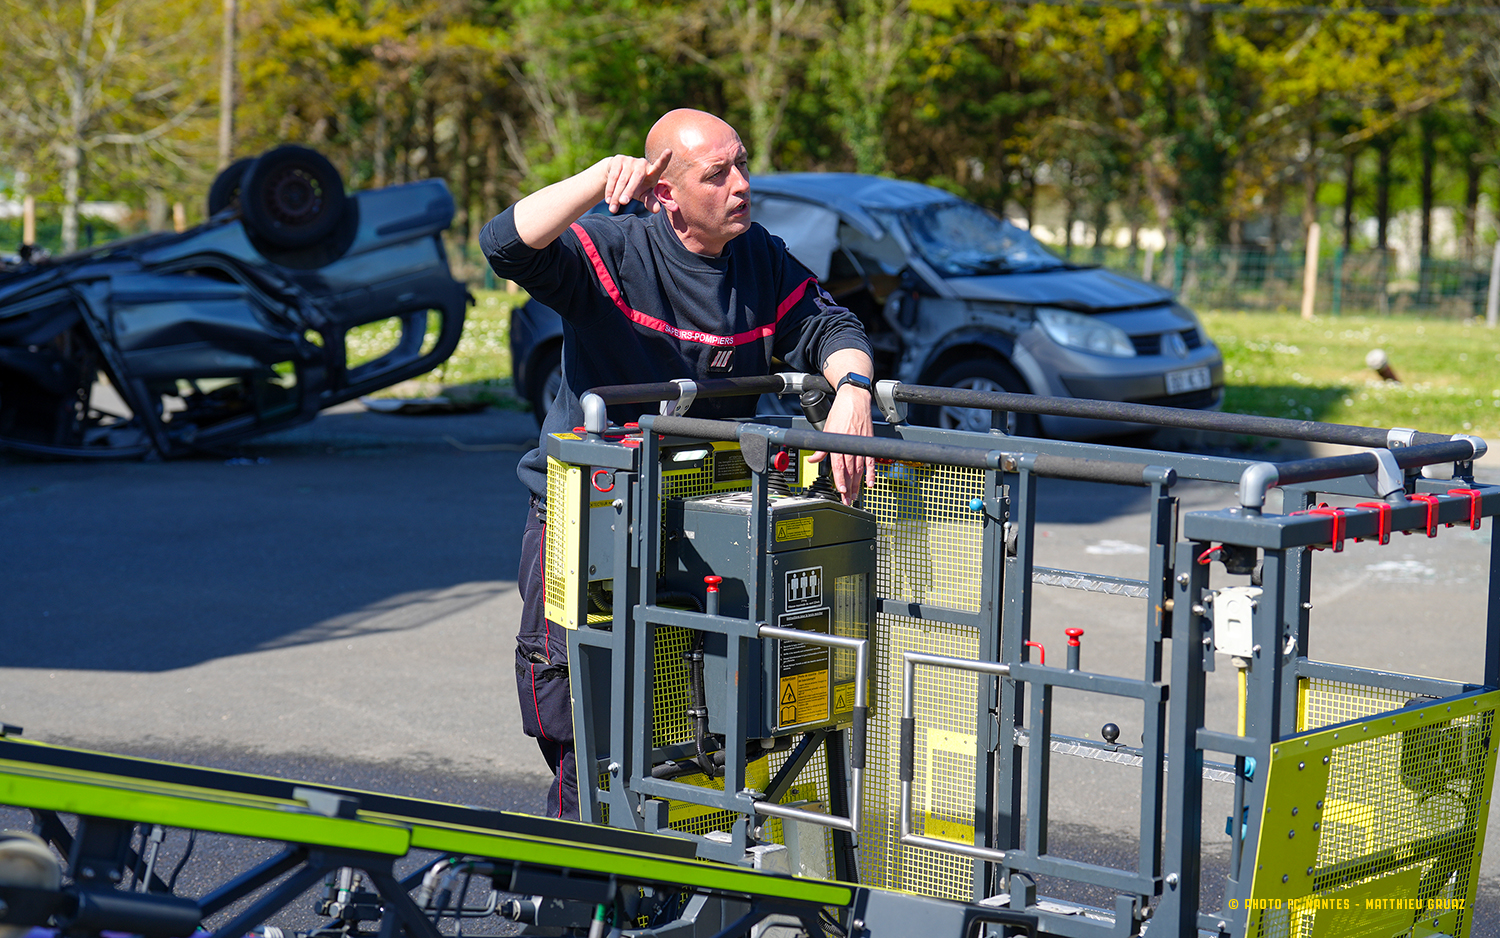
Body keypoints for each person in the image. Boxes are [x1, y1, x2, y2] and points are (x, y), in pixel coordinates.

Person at [480, 108, 876, 820]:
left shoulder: (759, 255)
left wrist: (852, 390)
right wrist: (598, 177)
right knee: (581, 720)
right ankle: (583, 889)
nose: (741, 185)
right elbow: (505, 245)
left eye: (742, 164)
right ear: (664, 189)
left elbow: (831, 325)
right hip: (588, 520)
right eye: (717, 173)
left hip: (709, 527)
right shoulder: (612, 248)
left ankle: (675, 881)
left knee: (709, 719)